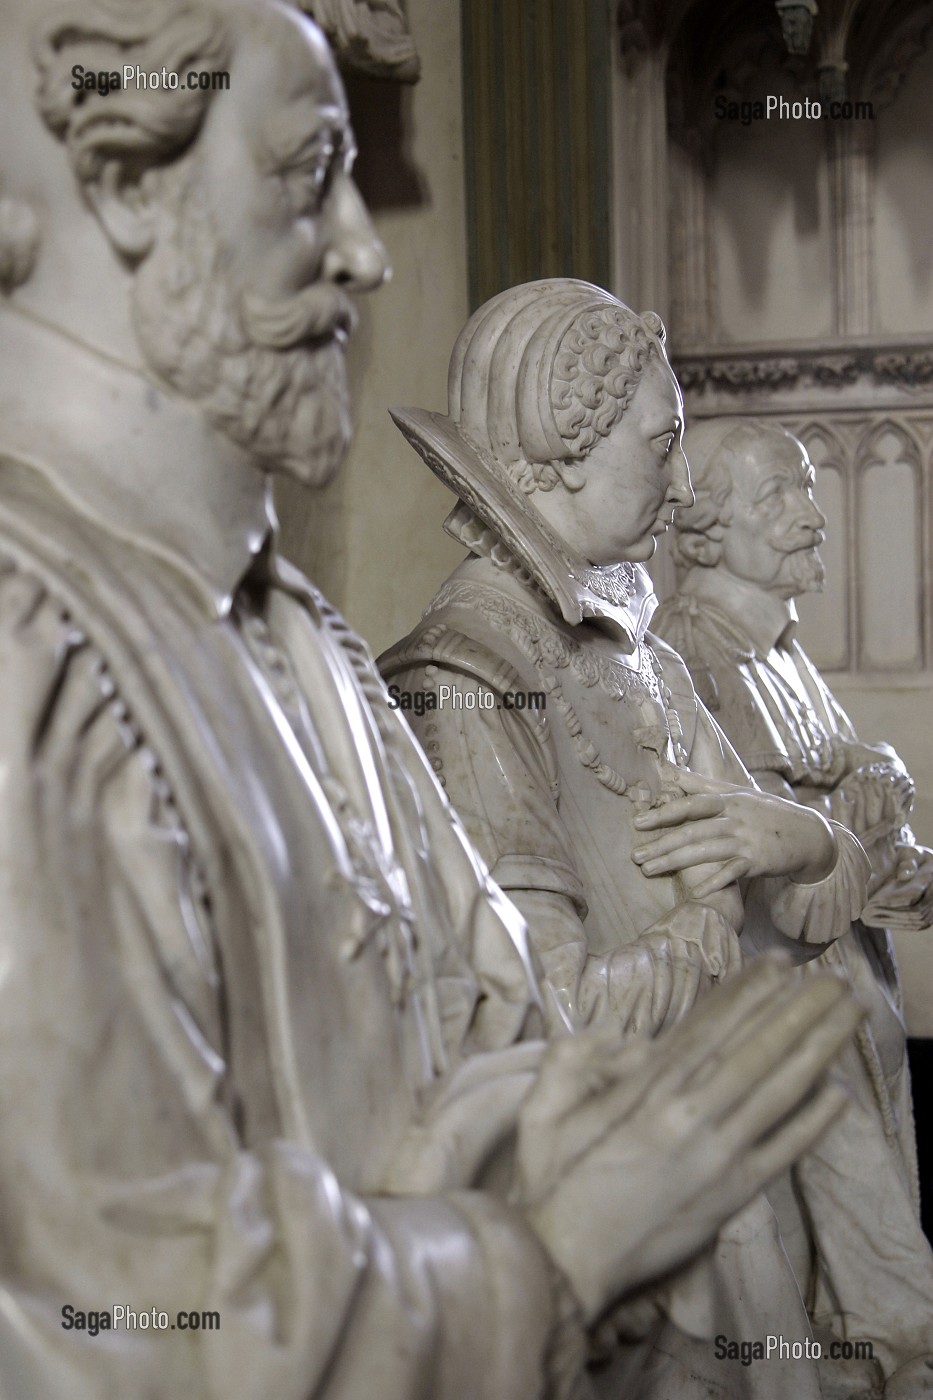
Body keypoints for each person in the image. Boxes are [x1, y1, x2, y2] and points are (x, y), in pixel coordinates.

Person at [0, 5, 864, 1398]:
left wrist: (573, 1140)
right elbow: (94, 1321)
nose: (364, 244)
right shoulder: (27, 656)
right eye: (305, 173)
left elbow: (503, 1022)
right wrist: (549, 1259)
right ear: (121, 187)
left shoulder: (303, 641)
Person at [380, 279, 872, 1398]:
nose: (684, 483)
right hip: (626, 1200)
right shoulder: (473, 672)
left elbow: (805, 881)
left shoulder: (637, 644)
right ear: (563, 444)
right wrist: (713, 921)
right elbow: (538, 1015)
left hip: (729, 1153)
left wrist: (793, 833)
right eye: (665, 444)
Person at [654, 415, 933, 1396]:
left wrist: (889, 844)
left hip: (848, 1010)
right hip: (790, 1017)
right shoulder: (695, 652)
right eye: (778, 494)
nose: (812, 514)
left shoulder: (779, 650)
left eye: (808, 488)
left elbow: (856, 850)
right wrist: (862, 832)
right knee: (882, 1305)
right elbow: (778, 878)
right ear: (709, 528)